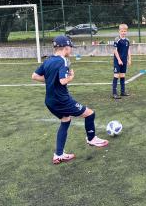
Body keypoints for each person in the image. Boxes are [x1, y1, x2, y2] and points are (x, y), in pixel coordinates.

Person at [32, 35, 109, 165]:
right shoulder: (64, 61)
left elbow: (34, 76)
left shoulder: (48, 60)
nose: (71, 50)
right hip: (62, 100)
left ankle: (59, 154)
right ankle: (91, 138)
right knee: (90, 113)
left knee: (66, 121)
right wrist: (71, 77)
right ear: (65, 48)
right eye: (70, 48)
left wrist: (51, 80)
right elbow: (62, 81)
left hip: (50, 101)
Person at [113, 23, 132, 99]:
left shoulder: (127, 40)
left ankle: (122, 92)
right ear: (119, 31)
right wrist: (119, 60)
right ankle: (114, 93)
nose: (123, 32)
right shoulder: (117, 39)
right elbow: (115, 51)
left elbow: (129, 50)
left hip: (124, 60)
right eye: (122, 31)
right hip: (117, 61)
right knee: (116, 75)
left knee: (123, 75)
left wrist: (129, 59)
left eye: (125, 31)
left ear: (126, 31)